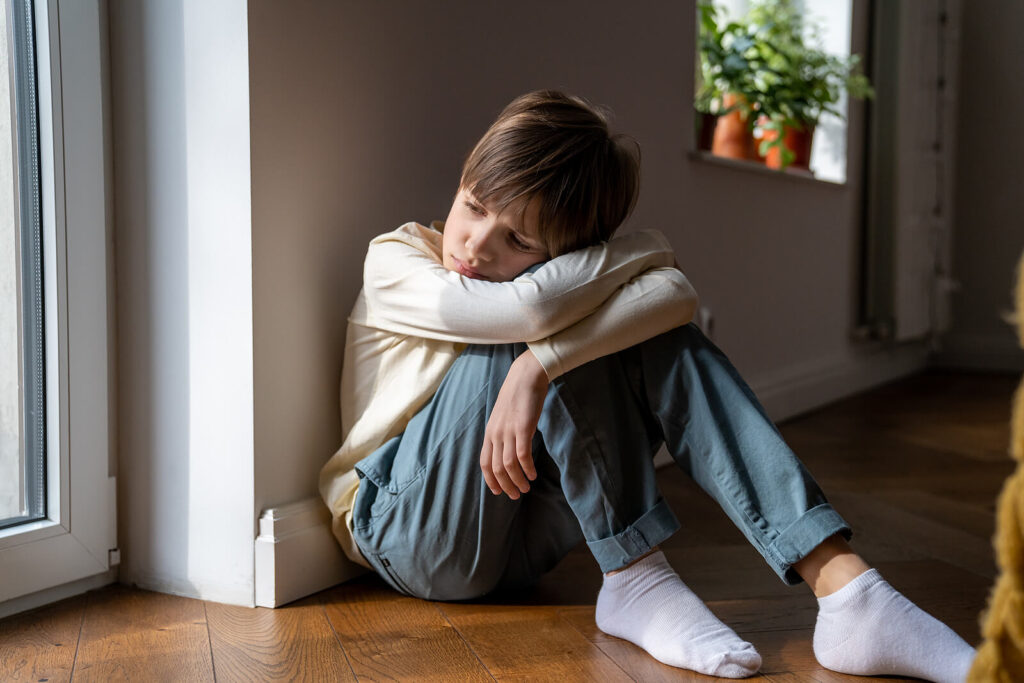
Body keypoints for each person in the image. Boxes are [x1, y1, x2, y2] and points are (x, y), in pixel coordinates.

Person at [319, 90, 976, 681]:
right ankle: (637, 577)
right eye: (474, 205)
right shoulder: (397, 259)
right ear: (463, 178)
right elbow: (531, 313)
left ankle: (846, 590)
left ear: (567, 257)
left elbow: (675, 298)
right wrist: (641, 255)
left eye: (518, 238)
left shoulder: (554, 288)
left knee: (633, 337)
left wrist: (537, 367)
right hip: (407, 529)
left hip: (522, 534)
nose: (477, 243)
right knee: (546, 334)